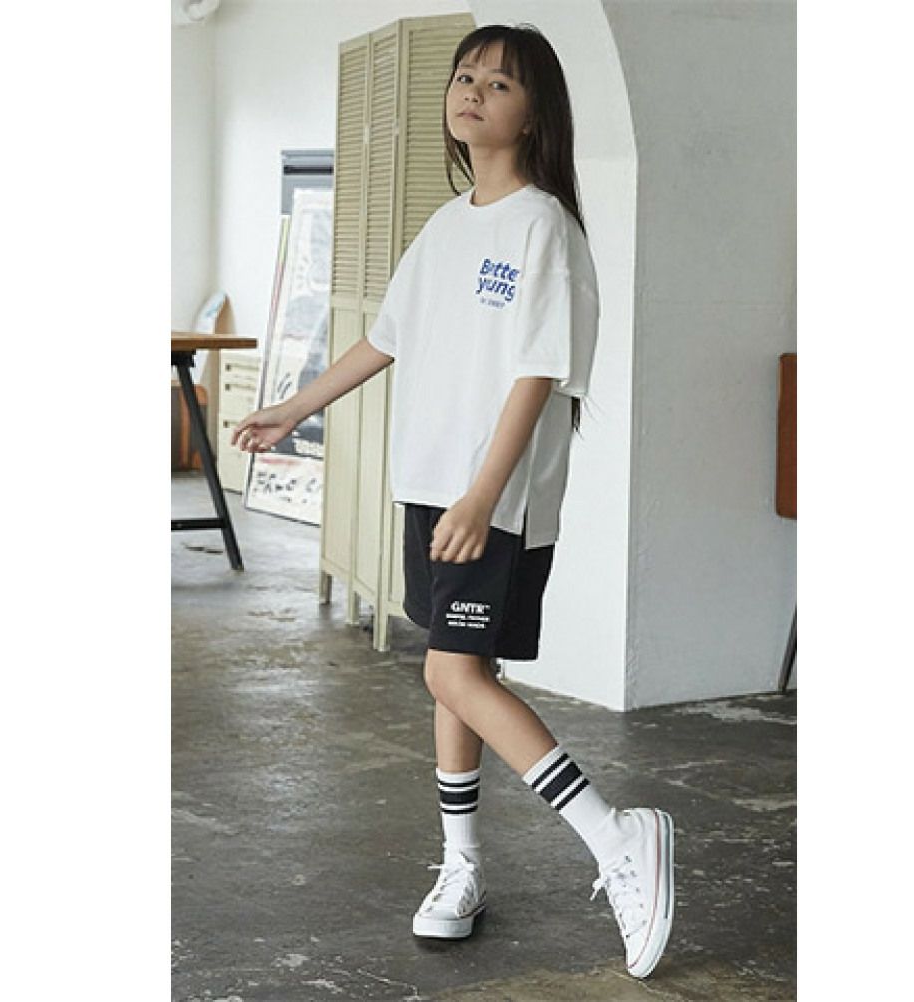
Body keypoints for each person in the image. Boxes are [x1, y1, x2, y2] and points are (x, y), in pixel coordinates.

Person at [232, 23, 674, 981]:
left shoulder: (544, 228)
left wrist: (482, 495)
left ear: (536, 113)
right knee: (454, 672)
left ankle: (616, 837)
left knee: (451, 671)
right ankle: (462, 865)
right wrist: (294, 408)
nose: (472, 91)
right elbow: (385, 338)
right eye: (465, 76)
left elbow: (538, 375)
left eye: (499, 83)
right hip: (428, 486)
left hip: (490, 499)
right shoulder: (447, 225)